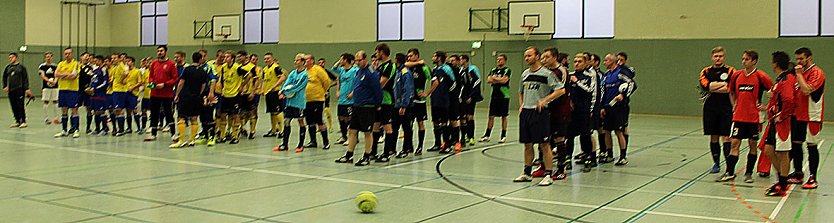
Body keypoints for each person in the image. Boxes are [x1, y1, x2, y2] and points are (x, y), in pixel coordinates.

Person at [512, 47, 565, 186]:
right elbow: (521, 91)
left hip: (540, 113)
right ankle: (526, 172)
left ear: (537, 56)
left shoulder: (547, 74)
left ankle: (548, 174)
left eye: (529, 55)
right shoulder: (524, 74)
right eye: (525, 56)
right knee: (527, 144)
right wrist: (522, 105)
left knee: (544, 144)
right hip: (526, 113)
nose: (526, 58)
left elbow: (561, 90)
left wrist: (545, 100)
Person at [718, 50, 773, 183]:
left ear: (754, 61)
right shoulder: (736, 75)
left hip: (753, 118)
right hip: (738, 117)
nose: (744, 61)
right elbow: (731, 91)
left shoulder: (761, 76)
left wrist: (766, 106)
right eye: (743, 59)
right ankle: (730, 172)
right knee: (734, 144)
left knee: (752, 144)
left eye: (747, 59)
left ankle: (748, 173)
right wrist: (734, 105)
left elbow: (774, 91)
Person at [335, 50, 382, 166]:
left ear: (365, 60)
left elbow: (377, 90)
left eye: (359, 60)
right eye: (355, 60)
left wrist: (377, 104)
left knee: (367, 132)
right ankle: (349, 155)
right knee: (352, 130)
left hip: (367, 106)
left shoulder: (371, 72)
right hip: (357, 105)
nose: (357, 62)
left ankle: (367, 156)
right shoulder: (358, 72)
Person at [788, 47, 826, 189]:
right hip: (799, 114)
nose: (799, 61)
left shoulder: (817, 73)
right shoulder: (801, 73)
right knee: (796, 144)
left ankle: (813, 178)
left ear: (809, 58)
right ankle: (798, 173)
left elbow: (806, 90)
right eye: (797, 59)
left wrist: (798, 75)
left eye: (801, 59)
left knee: (811, 145)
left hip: (812, 115)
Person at [762, 51, 797, 196]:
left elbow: (789, 100)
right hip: (773, 123)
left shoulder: (787, 79)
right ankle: (782, 179)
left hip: (783, 123)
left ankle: (782, 185)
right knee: (768, 151)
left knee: (782, 153)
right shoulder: (780, 80)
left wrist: (782, 116)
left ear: (775, 64)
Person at [699, 47, 736, 174]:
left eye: (720, 56)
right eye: (716, 56)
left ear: (724, 57)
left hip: (726, 108)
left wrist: (714, 86)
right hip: (710, 108)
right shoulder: (705, 71)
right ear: (712, 57)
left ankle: (728, 166)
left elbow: (730, 87)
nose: (718, 58)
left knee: (727, 137)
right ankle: (716, 163)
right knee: (714, 137)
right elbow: (705, 86)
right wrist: (721, 85)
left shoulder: (731, 71)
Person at [599, 54, 637, 166]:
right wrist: (602, 106)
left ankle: (622, 156)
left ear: (612, 61)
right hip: (608, 107)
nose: (604, 62)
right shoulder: (606, 76)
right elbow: (603, 92)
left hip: (619, 108)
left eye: (606, 60)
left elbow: (632, 84)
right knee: (606, 131)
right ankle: (609, 154)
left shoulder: (621, 73)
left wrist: (623, 96)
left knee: (618, 131)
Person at [565, 53, 599, 173]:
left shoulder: (590, 76)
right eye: (575, 61)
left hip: (584, 111)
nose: (577, 64)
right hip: (572, 112)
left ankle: (588, 159)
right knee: (569, 137)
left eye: (580, 61)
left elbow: (590, 90)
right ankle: (567, 159)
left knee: (585, 136)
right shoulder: (570, 76)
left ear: (585, 63)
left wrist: (578, 82)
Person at [171, 52, 209, 148]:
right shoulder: (203, 71)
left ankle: (182, 140)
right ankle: (192, 140)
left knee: (181, 117)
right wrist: (198, 94)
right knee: (194, 119)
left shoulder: (187, 70)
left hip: (185, 97)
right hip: (196, 97)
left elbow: (181, 83)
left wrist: (177, 94)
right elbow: (203, 86)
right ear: (200, 60)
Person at [420, 51, 455, 153]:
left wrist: (428, 93)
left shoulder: (446, 69)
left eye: (435, 56)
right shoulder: (435, 69)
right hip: (435, 100)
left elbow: (451, 83)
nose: (433, 58)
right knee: (435, 122)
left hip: (444, 100)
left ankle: (447, 145)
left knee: (444, 123)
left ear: (439, 58)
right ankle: (437, 144)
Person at [274, 53, 309, 152]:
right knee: (286, 121)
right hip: (290, 102)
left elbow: (297, 87)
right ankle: (284, 145)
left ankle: (300, 145)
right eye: (295, 60)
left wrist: (284, 92)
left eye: (297, 60)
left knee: (300, 121)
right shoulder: (293, 73)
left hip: (299, 103)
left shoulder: (304, 75)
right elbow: (287, 83)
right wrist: (282, 90)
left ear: (303, 62)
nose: (295, 62)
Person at [145, 45, 179, 141]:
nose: (159, 53)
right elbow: (150, 76)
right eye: (158, 51)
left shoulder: (171, 64)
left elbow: (175, 79)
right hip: (155, 94)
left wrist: (164, 84)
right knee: (154, 113)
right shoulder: (154, 64)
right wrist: (152, 84)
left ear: (166, 52)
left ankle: (173, 134)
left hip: (167, 94)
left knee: (168, 113)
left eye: (161, 51)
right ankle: (153, 133)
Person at [372, 44, 398, 161]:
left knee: (387, 127)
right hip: (378, 101)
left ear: (382, 52)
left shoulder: (390, 66)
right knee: (375, 126)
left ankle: (387, 153)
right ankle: (373, 152)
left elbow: (381, 84)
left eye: (377, 52)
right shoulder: (380, 66)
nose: (376, 54)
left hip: (386, 101)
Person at [302, 54, 332, 150]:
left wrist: (323, 91)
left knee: (319, 120)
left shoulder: (318, 70)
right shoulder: (305, 71)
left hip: (317, 100)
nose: (304, 61)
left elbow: (326, 81)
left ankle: (326, 142)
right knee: (310, 121)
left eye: (306, 60)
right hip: (307, 100)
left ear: (312, 61)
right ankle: (313, 141)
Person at [405, 48, 432, 154]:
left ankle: (420, 146)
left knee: (420, 123)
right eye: (408, 56)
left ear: (417, 55)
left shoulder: (424, 68)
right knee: (408, 124)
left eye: (411, 56)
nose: (409, 58)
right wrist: (416, 62)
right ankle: (409, 146)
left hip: (419, 100)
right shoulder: (407, 67)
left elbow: (434, 80)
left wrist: (427, 93)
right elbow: (404, 64)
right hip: (409, 100)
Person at [481, 54, 512, 143]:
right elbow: (488, 80)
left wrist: (495, 79)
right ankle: (487, 135)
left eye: (501, 59)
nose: (498, 61)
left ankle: (503, 135)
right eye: (498, 59)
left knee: (504, 116)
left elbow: (504, 80)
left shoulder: (507, 70)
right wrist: (498, 79)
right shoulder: (493, 70)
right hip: (494, 95)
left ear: (505, 61)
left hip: (504, 96)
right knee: (491, 116)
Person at [54, 48, 82, 138]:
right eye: (66, 54)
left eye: (69, 53)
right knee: (64, 110)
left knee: (74, 110)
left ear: (72, 54)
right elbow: (56, 74)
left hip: (72, 90)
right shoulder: (61, 64)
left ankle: (76, 130)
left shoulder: (76, 64)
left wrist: (62, 75)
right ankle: (64, 130)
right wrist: (67, 74)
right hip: (62, 89)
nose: (67, 55)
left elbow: (73, 76)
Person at [393, 53, 416, 158]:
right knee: (395, 127)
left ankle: (406, 149)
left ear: (397, 60)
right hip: (397, 105)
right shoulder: (398, 72)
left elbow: (407, 90)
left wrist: (403, 105)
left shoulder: (405, 72)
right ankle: (392, 149)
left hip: (404, 106)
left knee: (406, 128)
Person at [333, 53, 358, 145]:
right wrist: (338, 91)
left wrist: (353, 92)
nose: (340, 61)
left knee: (349, 118)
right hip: (342, 98)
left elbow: (358, 82)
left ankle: (352, 137)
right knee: (341, 117)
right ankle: (343, 136)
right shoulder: (342, 70)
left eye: (342, 59)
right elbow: (334, 69)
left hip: (350, 98)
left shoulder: (354, 71)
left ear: (346, 60)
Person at [4, 52, 33, 128]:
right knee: (13, 105)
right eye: (9, 58)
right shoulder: (8, 67)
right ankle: (17, 120)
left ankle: (23, 121)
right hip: (11, 90)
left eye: (12, 57)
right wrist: (5, 86)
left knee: (20, 105)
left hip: (19, 89)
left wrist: (26, 88)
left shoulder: (21, 67)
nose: (10, 59)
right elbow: (4, 77)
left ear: (16, 57)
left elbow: (25, 78)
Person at [459, 55, 482, 146]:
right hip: (463, 97)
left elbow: (477, 82)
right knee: (463, 117)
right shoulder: (461, 70)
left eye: (461, 59)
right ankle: (464, 136)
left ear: (465, 60)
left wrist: (471, 96)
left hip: (471, 96)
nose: (460, 61)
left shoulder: (473, 69)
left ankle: (471, 136)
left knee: (470, 116)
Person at [262, 52, 286, 138]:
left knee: (277, 111)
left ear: (272, 59)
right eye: (265, 59)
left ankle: (282, 130)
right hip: (268, 93)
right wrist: (262, 89)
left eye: (268, 58)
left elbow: (283, 77)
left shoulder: (276, 67)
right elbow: (264, 80)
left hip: (275, 92)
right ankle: (273, 130)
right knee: (271, 112)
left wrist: (275, 85)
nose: (266, 60)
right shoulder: (265, 69)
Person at [241, 53, 262, 139]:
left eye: (256, 60)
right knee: (243, 112)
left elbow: (257, 80)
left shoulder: (258, 69)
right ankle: (243, 128)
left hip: (255, 92)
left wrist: (253, 92)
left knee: (253, 111)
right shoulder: (242, 68)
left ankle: (252, 131)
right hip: (243, 93)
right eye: (253, 59)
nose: (255, 61)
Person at [87, 55, 110, 135]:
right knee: (96, 111)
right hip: (94, 93)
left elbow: (105, 83)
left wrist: (96, 88)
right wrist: (90, 88)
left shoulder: (104, 70)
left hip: (100, 93)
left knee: (101, 111)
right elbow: (93, 80)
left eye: (96, 60)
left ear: (100, 61)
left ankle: (105, 128)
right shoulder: (96, 70)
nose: (95, 62)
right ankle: (97, 128)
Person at [318, 58, 339, 133]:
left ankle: (330, 126)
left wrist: (329, 86)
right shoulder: (316, 72)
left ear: (324, 63)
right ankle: (319, 126)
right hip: (318, 93)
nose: (320, 64)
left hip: (326, 93)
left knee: (326, 108)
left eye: (322, 63)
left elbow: (337, 80)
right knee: (319, 110)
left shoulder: (327, 72)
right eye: (319, 63)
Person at [39, 52, 60, 124]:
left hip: (55, 87)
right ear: (45, 58)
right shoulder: (42, 66)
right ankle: (46, 118)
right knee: (46, 101)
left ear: (52, 57)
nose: (48, 58)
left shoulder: (55, 66)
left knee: (55, 101)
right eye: (47, 57)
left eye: (50, 56)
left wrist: (55, 81)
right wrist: (48, 81)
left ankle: (56, 118)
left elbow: (57, 75)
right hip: (46, 87)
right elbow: (42, 75)